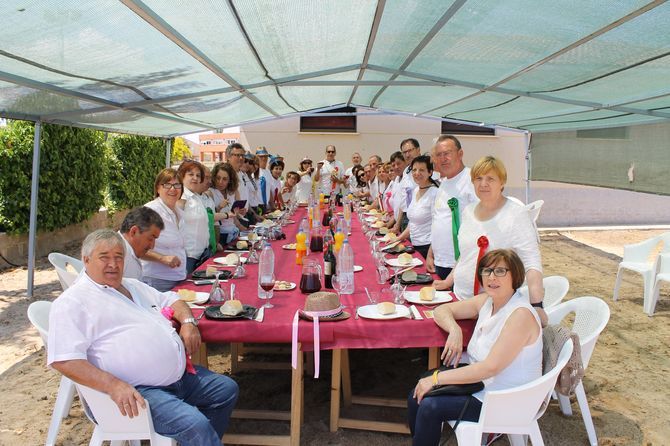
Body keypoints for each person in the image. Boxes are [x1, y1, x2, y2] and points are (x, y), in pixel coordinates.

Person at [48, 229, 238, 446]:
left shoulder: (131, 285)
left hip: (178, 379)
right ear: (86, 260)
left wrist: (188, 322)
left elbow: (172, 299)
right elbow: (63, 359)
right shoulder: (73, 302)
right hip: (135, 391)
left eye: (119, 257)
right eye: (104, 257)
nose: (113, 264)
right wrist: (114, 385)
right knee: (196, 425)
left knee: (225, 390)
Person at [407, 249, 542, 446]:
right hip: (481, 386)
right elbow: (441, 310)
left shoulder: (520, 315)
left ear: (515, 276)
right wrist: (454, 329)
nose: (492, 277)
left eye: (500, 271)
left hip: (507, 399)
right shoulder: (487, 301)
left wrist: (436, 379)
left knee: (430, 406)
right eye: (487, 271)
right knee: (416, 394)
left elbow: (490, 368)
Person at [433, 156, 545, 319]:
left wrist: (537, 305)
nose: (483, 184)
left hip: (495, 308)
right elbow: (466, 255)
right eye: (478, 178)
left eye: (490, 179)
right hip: (461, 298)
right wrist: (448, 282)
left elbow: (531, 262)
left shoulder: (516, 214)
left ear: (502, 183)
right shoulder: (468, 211)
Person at [426, 135, 477, 279]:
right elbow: (439, 220)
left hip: (461, 264)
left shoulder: (472, 180)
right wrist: (430, 254)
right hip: (440, 262)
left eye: (447, 153)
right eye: (439, 155)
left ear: (460, 154)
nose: (443, 159)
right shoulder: (444, 183)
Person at [142, 168, 187, 292]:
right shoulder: (150, 211)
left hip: (179, 277)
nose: (173, 189)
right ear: (158, 188)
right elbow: (136, 247)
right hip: (157, 281)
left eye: (177, 185)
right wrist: (162, 258)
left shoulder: (179, 212)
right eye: (167, 185)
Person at [395, 156, 440, 259]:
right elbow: (412, 223)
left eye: (421, 170)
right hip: (414, 244)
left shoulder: (435, 193)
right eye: (414, 170)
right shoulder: (416, 190)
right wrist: (398, 239)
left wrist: (431, 254)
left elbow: (438, 226)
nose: (417, 173)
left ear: (430, 172)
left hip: (428, 247)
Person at [177, 160, 211, 274]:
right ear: (182, 176)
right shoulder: (181, 197)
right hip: (188, 256)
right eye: (191, 174)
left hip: (201, 254)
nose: (195, 178)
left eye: (198, 175)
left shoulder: (196, 196)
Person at [119, 206, 164, 280]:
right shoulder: (119, 256)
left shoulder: (127, 252)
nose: (152, 246)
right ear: (134, 231)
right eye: (150, 238)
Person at [210, 163, 246, 245]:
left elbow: (233, 216)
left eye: (224, 179)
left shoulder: (232, 192)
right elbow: (209, 217)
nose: (220, 182)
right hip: (220, 236)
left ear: (230, 180)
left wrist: (239, 213)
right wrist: (219, 207)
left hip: (233, 233)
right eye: (218, 178)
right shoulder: (210, 192)